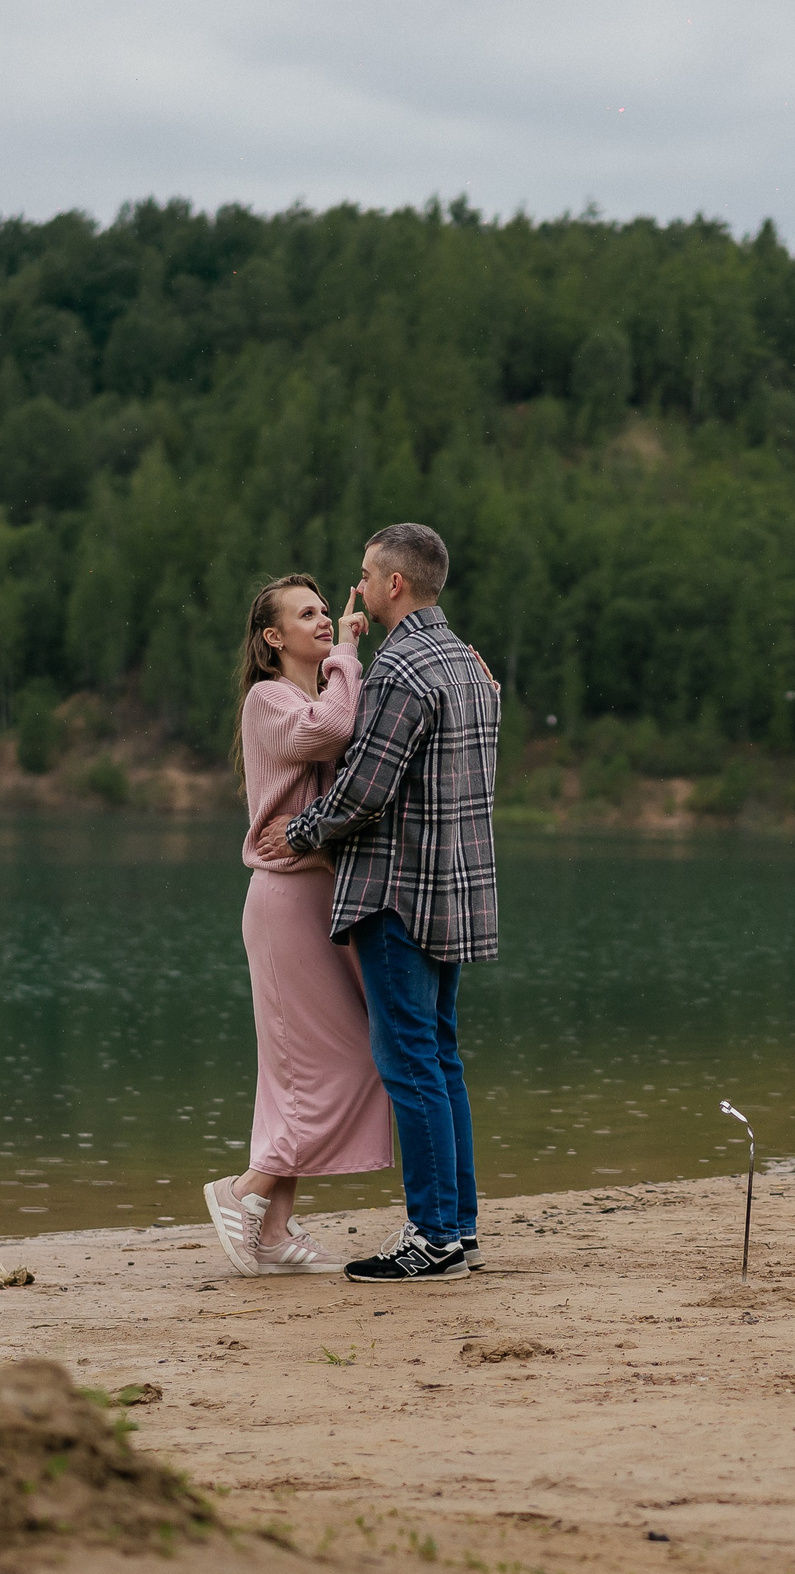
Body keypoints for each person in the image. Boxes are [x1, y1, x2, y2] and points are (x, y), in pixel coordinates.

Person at [255, 522, 501, 1284]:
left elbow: (364, 790)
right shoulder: (468, 665)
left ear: (393, 585)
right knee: (442, 1058)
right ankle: (457, 1230)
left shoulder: (398, 670)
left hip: (398, 894)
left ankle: (430, 1237)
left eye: (362, 575)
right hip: (457, 891)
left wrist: (296, 831)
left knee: (409, 1064)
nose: (353, 589)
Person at [202, 574, 391, 1278]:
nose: (321, 618)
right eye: (304, 613)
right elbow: (335, 730)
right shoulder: (270, 698)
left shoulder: (315, 694)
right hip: (285, 901)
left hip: (323, 899)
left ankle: (275, 1227)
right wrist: (346, 650)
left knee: (303, 1071)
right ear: (271, 637)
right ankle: (244, 1190)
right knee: (323, 1062)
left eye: (323, 609)